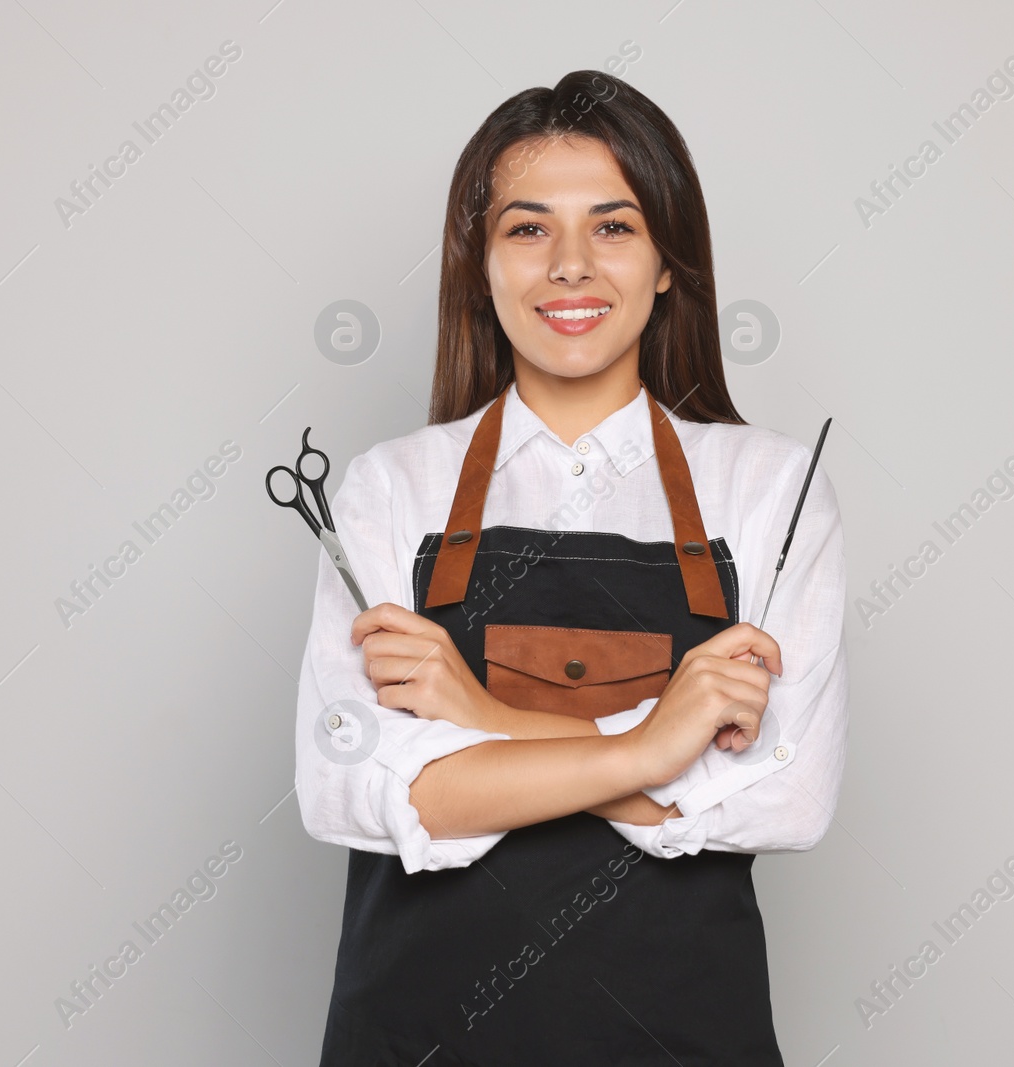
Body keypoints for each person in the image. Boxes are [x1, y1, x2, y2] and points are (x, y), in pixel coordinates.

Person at [295, 68, 848, 1066]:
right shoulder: (386, 491)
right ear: (481, 262)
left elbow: (783, 797)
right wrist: (653, 751)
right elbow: (354, 788)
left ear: (669, 260)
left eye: (614, 226)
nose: (569, 265)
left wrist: (478, 714)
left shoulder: (770, 492)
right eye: (526, 227)